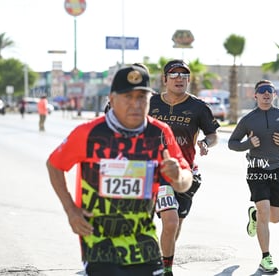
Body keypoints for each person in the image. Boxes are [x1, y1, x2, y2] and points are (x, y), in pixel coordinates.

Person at [46, 65, 193, 276]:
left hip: (144, 241)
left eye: (142, 97)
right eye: (128, 97)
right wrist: (71, 209)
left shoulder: (160, 132)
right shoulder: (89, 133)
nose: (136, 104)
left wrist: (178, 177)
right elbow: (54, 164)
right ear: (112, 100)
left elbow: (185, 178)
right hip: (100, 244)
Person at [148, 59, 220, 276]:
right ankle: (165, 270)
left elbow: (213, 134)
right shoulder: (150, 103)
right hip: (155, 171)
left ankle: (164, 260)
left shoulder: (198, 106)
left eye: (184, 75)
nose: (179, 78)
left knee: (175, 224)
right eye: (174, 74)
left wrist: (206, 143)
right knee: (169, 221)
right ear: (164, 79)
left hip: (185, 174)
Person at [227, 80, 279, 274]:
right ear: (256, 96)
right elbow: (232, 143)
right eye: (262, 91)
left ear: (274, 95)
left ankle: (254, 215)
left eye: (270, 91)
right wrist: (248, 144)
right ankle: (265, 258)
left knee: (275, 218)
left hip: (278, 170)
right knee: (264, 211)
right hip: (256, 167)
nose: (266, 94)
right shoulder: (248, 119)